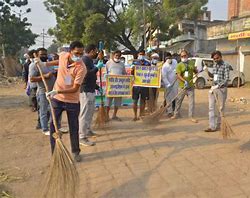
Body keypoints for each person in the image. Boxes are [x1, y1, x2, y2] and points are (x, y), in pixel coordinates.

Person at [43, 41, 87, 162]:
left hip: (72, 102)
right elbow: (59, 62)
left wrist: (57, 92)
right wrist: (44, 63)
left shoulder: (81, 68)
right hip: (57, 101)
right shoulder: (63, 55)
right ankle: (55, 152)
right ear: (70, 51)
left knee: (73, 127)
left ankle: (76, 151)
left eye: (81, 54)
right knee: (53, 126)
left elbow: (75, 89)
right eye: (76, 53)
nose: (79, 56)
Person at [78, 44, 104, 147]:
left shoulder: (89, 60)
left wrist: (97, 87)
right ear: (92, 51)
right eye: (95, 52)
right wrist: (97, 68)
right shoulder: (84, 60)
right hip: (85, 90)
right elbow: (86, 74)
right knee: (84, 113)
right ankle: (82, 136)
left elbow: (92, 77)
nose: (96, 53)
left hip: (91, 89)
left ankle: (88, 130)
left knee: (90, 112)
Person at [30, 48, 55, 135]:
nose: (44, 56)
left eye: (45, 54)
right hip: (43, 90)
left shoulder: (48, 64)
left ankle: (54, 127)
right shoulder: (34, 65)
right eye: (42, 54)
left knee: (53, 110)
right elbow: (32, 79)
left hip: (53, 91)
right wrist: (45, 76)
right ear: (37, 55)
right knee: (43, 110)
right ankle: (45, 129)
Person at [204, 51, 230, 132]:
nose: (216, 60)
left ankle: (219, 125)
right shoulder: (215, 65)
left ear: (221, 57)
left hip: (222, 89)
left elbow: (226, 79)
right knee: (211, 107)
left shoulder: (226, 65)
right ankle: (212, 126)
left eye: (217, 58)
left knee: (221, 108)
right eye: (214, 59)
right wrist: (207, 71)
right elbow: (214, 76)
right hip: (213, 88)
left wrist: (218, 85)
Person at [171, 50, 198, 123]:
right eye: (182, 56)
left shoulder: (192, 63)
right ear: (180, 57)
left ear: (187, 55)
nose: (183, 57)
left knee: (191, 102)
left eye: (184, 56)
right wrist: (184, 81)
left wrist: (197, 71)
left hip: (191, 86)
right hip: (182, 86)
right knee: (178, 101)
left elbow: (195, 70)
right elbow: (178, 75)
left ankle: (191, 116)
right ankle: (176, 114)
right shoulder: (179, 65)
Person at [105, 50, 127, 121]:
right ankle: (106, 115)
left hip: (119, 87)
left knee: (117, 102)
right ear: (113, 55)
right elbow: (105, 73)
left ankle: (114, 115)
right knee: (108, 102)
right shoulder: (108, 63)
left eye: (119, 56)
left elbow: (124, 74)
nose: (117, 57)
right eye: (116, 55)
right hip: (110, 86)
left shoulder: (122, 64)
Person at [131, 50, 151, 121]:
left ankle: (141, 115)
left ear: (144, 55)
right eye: (140, 54)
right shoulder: (134, 63)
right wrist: (132, 70)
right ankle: (135, 115)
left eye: (143, 54)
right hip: (136, 85)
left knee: (143, 101)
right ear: (138, 55)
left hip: (144, 85)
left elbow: (151, 73)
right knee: (134, 101)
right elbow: (131, 74)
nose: (141, 55)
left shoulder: (148, 63)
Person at [162, 52, 178, 117]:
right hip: (168, 84)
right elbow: (164, 77)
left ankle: (176, 111)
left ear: (171, 57)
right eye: (167, 58)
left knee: (176, 97)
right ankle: (169, 111)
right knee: (168, 98)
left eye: (169, 58)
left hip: (175, 82)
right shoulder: (164, 66)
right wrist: (168, 84)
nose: (168, 59)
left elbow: (177, 70)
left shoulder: (175, 62)